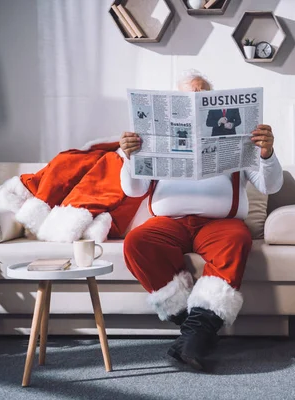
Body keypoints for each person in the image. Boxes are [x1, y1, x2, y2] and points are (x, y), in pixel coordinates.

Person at [119, 70, 283, 371]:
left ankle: (195, 337)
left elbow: (269, 186)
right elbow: (134, 190)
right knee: (137, 241)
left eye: (202, 95)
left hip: (220, 224)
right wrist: (129, 157)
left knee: (237, 239)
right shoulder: (155, 136)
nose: (195, 101)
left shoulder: (239, 136)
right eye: (188, 96)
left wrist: (267, 153)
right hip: (170, 223)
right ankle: (198, 328)